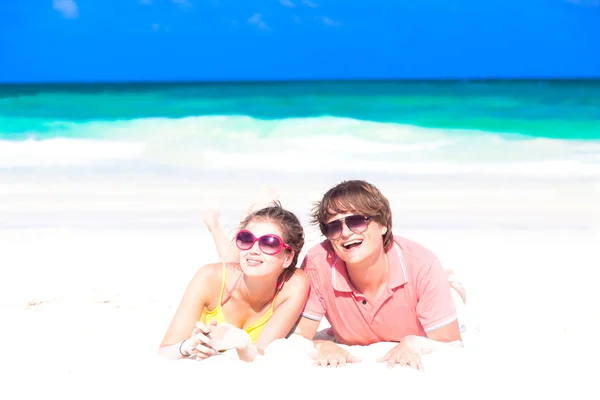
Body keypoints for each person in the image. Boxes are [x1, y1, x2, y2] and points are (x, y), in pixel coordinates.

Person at [294, 180, 467, 370]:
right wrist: (324, 345)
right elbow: (297, 339)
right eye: (334, 227)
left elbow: (451, 343)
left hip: (431, 292)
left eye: (356, 221)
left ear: (383, 224)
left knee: (455, 298)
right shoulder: (318, 263)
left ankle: (450, 282)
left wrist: (412, 342)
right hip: (364, 331)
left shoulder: (423, 266)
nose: (345, 233)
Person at [158, 202, 309, 362]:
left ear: (288, 258)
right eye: (246, 238)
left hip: (241, 274)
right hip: (228, 278)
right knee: (230, 263)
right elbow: (164, 351)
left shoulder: (294, 285)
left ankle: (214, 224)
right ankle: (214, 225)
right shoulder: (208, 278)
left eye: (269, 243)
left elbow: (260, 357)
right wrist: (190, 345)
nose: (254, 249)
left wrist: (241, 341)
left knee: (238, 261)